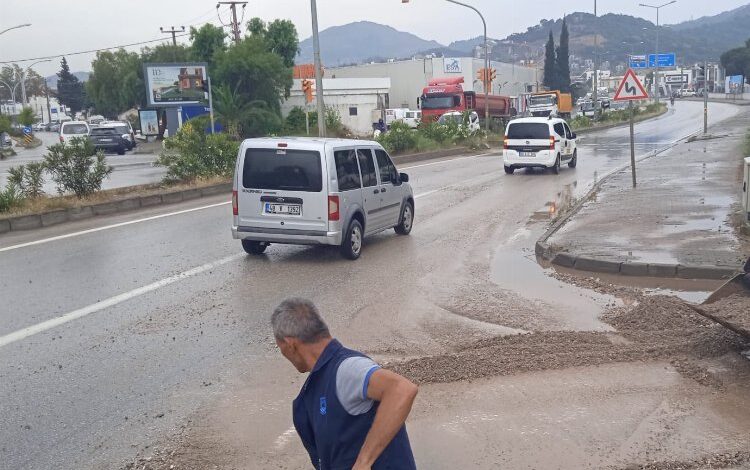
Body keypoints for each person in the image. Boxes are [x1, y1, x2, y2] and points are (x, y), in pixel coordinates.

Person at [272, 298, 418, 470]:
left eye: (278, 345)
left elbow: (401, 389)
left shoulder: (346, 368)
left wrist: (364, 462)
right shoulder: (318, 383)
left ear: (290, 344)